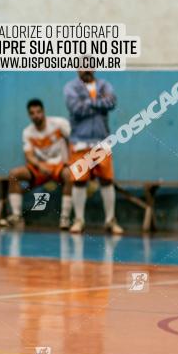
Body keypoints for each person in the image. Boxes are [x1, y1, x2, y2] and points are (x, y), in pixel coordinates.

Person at [0, 99, 73, 229]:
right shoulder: (27, 132)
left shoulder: (59, 124)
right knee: (14, 174)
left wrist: (70, 161)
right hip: (40, 168)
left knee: (70, 175)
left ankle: (65, 219)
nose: (36, 115)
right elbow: (29, 155)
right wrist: (39, 166)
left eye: (38, 111)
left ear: (43, 111)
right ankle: (17, 217)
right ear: (29, 115)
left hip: (59, 166)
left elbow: (73, 141)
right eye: (32, 113)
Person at [64, 71, 123, 234]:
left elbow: (111, 102)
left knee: (106, 180)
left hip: (101, 141)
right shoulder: (71, 87)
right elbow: (76, 109)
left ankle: (110, 221)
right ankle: (79, 220)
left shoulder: (104, 85)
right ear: (77, 69)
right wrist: (99, 103)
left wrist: (88, 102)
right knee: (79, 181)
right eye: (82, 66)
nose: (86, 69)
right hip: (79, 141)